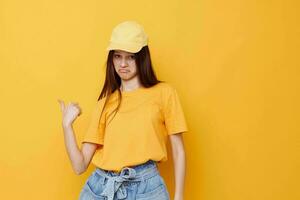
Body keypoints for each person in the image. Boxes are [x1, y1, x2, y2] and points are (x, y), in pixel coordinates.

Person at [58, 20, 188, 200]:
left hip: (146, 189)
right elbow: (79, 166)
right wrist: (67, 126)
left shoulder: (164, 93)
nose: (123, 64)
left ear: (142, 57)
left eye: (130, 56)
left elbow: (179, 150)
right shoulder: (104, 104)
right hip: (102, 189)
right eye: (117, 56)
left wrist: (179, 196)